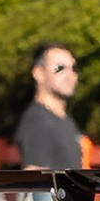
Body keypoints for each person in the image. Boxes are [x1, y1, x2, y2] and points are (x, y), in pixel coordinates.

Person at [15, 41, 83, 172]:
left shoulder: (65, 120)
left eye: (73, 69)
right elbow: (35, 175)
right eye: (60, 68)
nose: (70, 75)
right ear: (39, 73)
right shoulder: (37, 120)